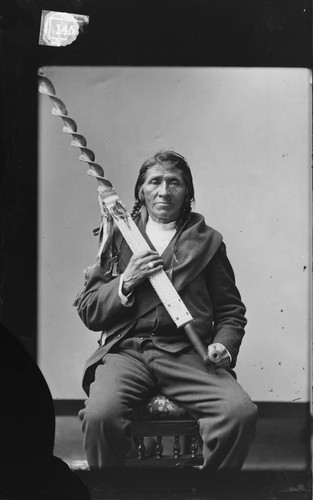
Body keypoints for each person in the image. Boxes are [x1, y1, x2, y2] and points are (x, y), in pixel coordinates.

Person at [76, 150, 257, 470]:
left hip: (188, 353)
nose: (164, 190)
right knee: (100, 416)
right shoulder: (119, 237)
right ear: (140, 191)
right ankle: (112, 493)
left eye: (175, 182)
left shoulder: (209, 242)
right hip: (128, 353)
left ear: (187, 192)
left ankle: (211, 492)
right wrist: (126, 281)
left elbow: (230, 310)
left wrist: (224, 346)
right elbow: (91, 310)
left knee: (239, 413)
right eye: (155, 182)